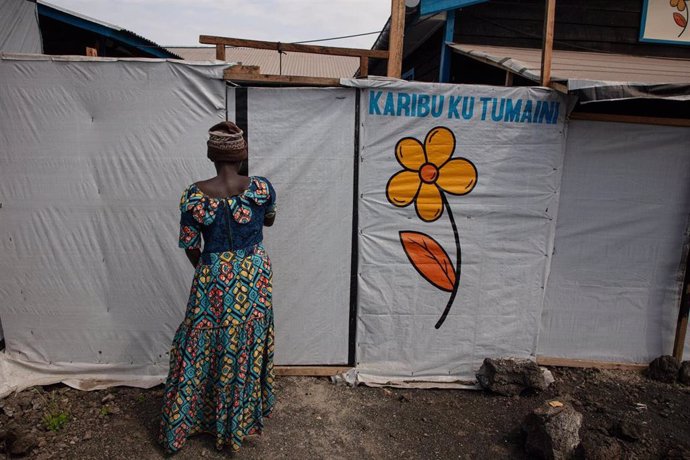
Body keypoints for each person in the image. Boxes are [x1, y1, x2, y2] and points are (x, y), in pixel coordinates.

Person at [159, 121, 277, 454]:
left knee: (200, 342)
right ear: (243, 155)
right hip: (254, 276)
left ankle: (187, 424)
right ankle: (237, 423)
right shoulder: (262, 189)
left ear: (211, 156)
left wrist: (210, 269)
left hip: (213, 276)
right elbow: (268, 219)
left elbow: (189, 244)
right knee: (245, 345)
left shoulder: (194, 195)